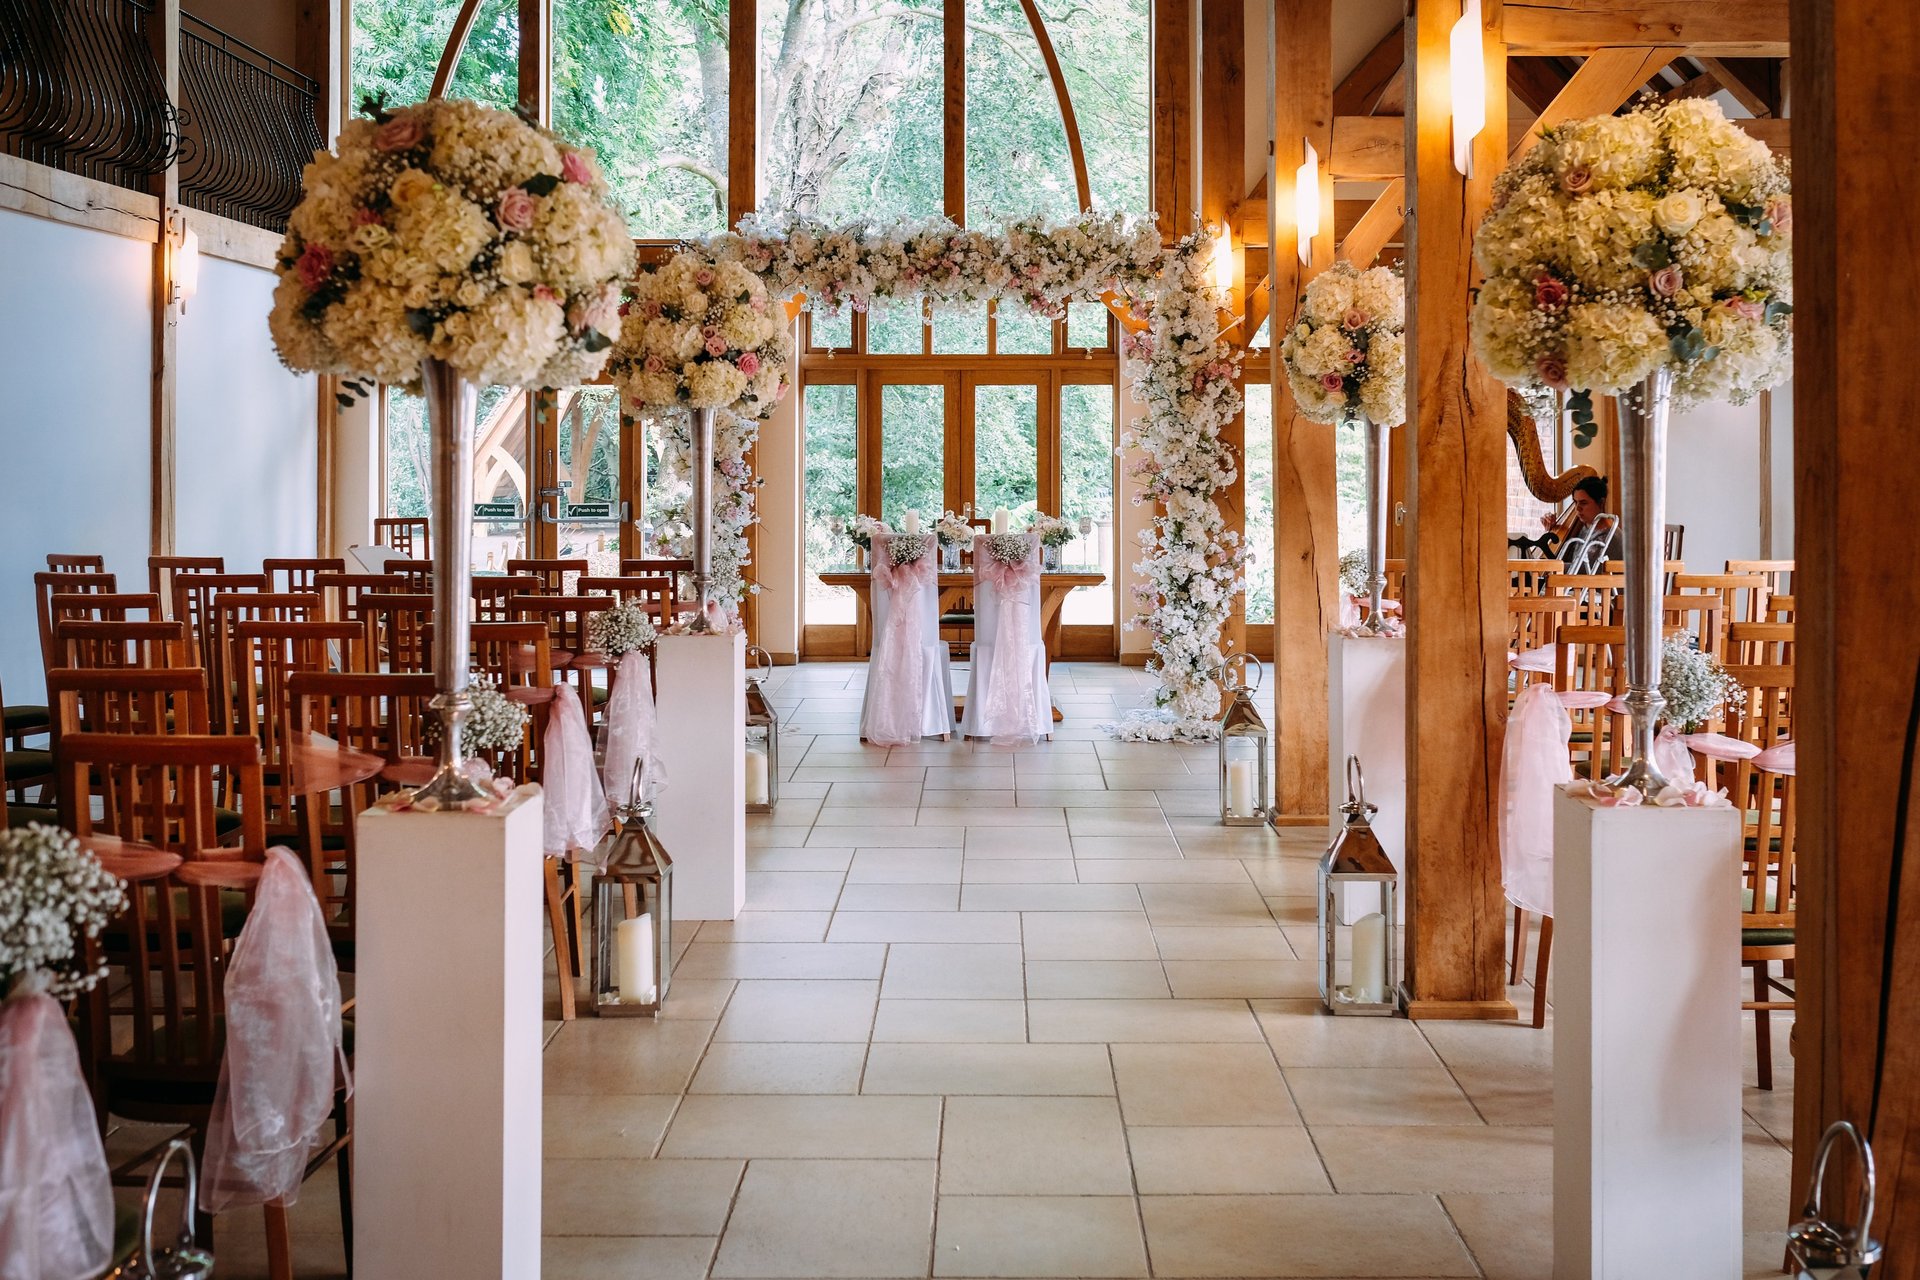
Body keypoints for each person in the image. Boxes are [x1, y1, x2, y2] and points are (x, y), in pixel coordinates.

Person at [1552, 475, 1616, 569]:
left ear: (1601, 502)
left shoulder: (1609, 536)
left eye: (1583, 503)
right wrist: (1552, 530)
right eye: (1575, 502)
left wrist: (1551, 567)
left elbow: (1585, 570)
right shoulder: (1584, 527)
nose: (1577, 508)